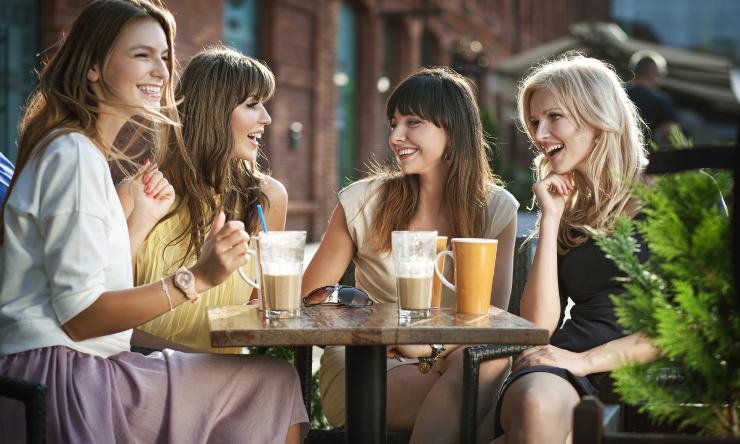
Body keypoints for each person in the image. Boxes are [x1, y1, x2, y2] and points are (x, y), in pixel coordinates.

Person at [0, 1, 307, 443]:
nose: (162, 72)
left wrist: (138, 219)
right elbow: (81, 317)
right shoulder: (73, 156)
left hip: (76, 366)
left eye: (165, 57)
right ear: (92, 67)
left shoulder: (79, 153)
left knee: (269, 381)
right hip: (62, 378)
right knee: (271, 384)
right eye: (142, 55)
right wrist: (198, 278)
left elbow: (87, 286)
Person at [302, 67, 519, 442]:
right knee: (498, 403)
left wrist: (430, 346)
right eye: (394, 123)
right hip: (368, 362)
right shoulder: (363, 201)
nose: (395, 136)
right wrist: (382, 330)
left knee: (486, 364)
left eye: (412, 123)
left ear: (452, 131)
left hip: (458, 361)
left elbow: (491, 319)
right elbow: (310, 298)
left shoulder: (496, 208)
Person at [488, 54, 660, 444]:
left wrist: (586, 361)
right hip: (564, 364)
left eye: (554, 117)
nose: (539, 133)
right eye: (534, 122)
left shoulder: (673, 192)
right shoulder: (569, 210)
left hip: (639, 363)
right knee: (535, 405)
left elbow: (691, 319)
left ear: (597, 116)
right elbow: (538, 329)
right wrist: (550, 220)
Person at [125, 46, 287, 354]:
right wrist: (199, 366)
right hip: (144, 371)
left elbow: (261, 314)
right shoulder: (136, 195)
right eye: (252, 105)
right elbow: (107, 319)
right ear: (213, 112)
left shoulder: (267, 199)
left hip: (224, 379)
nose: (266, 118)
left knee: (282, 379)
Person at [626, 50, 684, 147]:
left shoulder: (618, 95)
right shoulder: (660, 100)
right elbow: (672, 133)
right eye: (660, 75)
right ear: (652, 74)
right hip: (647, 157)